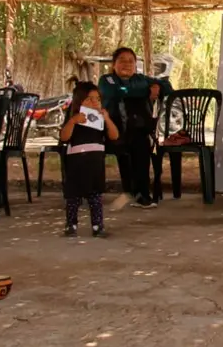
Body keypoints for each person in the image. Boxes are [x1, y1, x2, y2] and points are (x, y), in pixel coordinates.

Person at [98, 47, 172, 209]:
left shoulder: (141, 79)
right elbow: (115, 92)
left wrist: (157, 87)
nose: (127, 64)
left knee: (141, 144)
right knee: (127, 145)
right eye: (122, 60)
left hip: (138, 130)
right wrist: (146, 91)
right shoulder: (107, 80)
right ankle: (131, 190)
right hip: (112, 130)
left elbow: (167, 86)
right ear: (114, 64)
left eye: (131, 61)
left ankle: (141, 194)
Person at [59, 81, 119, 237]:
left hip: (95, 161)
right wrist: (73, 121)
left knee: (95, 196)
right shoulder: (74, 117)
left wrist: (107, 119)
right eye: (89, 99)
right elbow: (64, 137)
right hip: (76, 162)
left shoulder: (100, 120)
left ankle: (97, 226)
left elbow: (114, 135)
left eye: (97, 99)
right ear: (79, 101)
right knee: (73, 197)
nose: (94, 102)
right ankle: (71, 224)